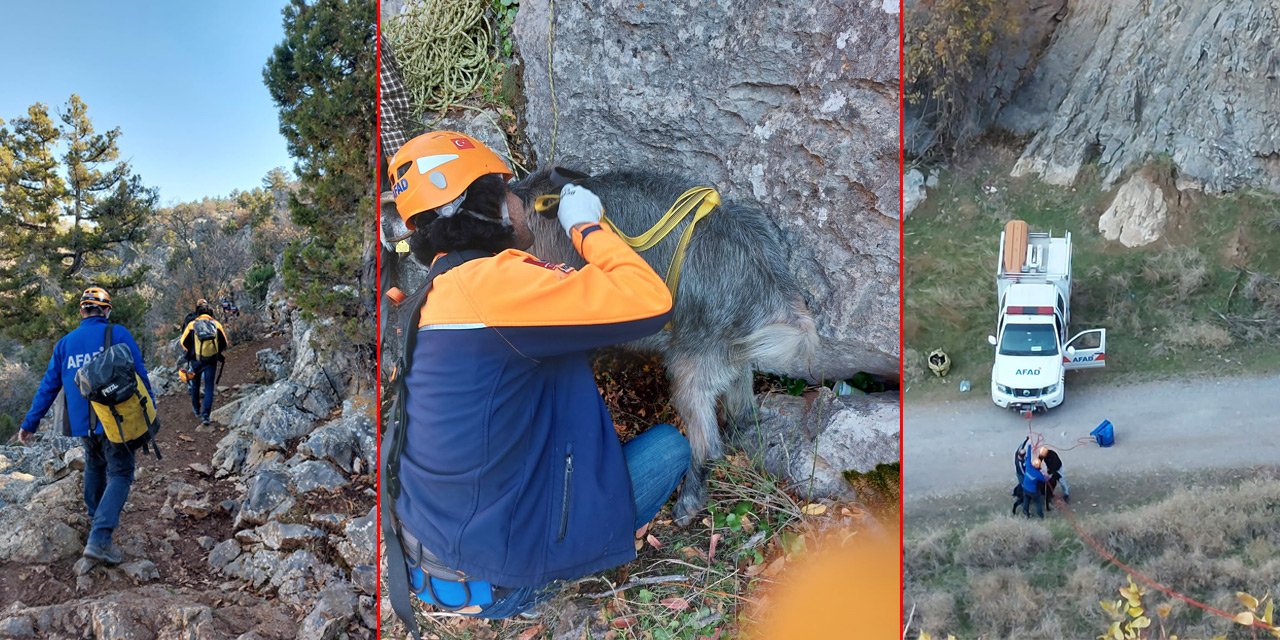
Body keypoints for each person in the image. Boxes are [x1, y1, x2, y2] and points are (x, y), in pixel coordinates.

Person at [382, 131, 689, 626]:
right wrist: (586, 227)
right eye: (508, 192)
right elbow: (650, 301)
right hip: (496, 581)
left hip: (430, 568)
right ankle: (555, 571)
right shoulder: (496, 285)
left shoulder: (426, 300)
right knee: (671, 449)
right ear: (487, 208)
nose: (518, 203)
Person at [17, 287, 154, 565]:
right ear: (106, 310)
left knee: (94, 464)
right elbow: (138, 374)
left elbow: (48, 387)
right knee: (121, 474)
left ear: (82, 311)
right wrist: (148, 411)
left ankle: (95, 519)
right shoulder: (117, 333)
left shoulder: (65, 344)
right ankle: (100, 539)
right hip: (116, 419)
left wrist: (30, 423)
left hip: (82, 424)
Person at [179, 300, 229, 427]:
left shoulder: (192, 325)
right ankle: (205, 415)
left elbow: (183, 342)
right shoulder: (216, 324)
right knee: (209, 388)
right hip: (211, 361)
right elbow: (224, 343)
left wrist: (191, 351)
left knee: (195, 385)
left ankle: (196, 409)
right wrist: (215, 351)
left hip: (196, 360)